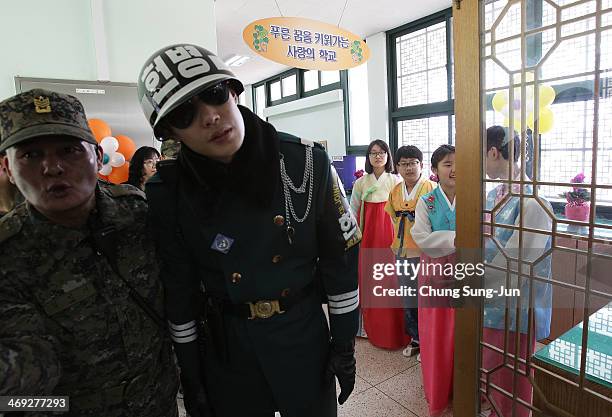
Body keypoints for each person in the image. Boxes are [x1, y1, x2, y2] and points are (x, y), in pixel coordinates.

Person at [137, 44, 360, 417]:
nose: (209, 117)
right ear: (171, 133)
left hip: (301, 337)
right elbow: (180, 291)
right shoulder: (168, 192)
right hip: (228, 349)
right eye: (185, 113)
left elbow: (341, 261)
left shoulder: (305, 162)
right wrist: (191, 376)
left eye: (214, 95)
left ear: (234, 91)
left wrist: (344, 344)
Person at [0, 89, 179, 416]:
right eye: (30, 155)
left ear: (98, 156)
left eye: (69, 150)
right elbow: (28, 366)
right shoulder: (8, 254)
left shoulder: (137, 213)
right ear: (7, 168)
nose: (52, 168)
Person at [482, 126, 552, 417]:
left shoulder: (534, 203)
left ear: (493, 152)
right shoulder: (492, 194)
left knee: (514, 378)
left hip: (516, 306)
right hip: (488, 299)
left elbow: (517, 263)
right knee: (494, 371)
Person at [411, 144, 456, 416]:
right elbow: (423, 239)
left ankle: (465, 385)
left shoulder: (474, 198)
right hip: (435, 271)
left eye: (458, 163)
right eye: (447, 164)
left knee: (465, 329)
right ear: (435, 170)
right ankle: (438, 390)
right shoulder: (426, 201)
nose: (454, 169)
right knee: (437, 331)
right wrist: (458, 240)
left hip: (467, 267)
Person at [350, 139, 407, 349]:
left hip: (391, 238)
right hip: (368, 237)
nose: (378, 156)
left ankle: (397, 332)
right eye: (373, 153)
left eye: (382, 152)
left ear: (388, 155)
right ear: (368, 157)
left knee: (391, 281)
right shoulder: (361, 183)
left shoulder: (395, 180)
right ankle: (372, 330)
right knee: (371, 282)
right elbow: (353, 212)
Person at [385, 145, 436, 357]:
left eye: (413, 163)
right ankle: (416, 338)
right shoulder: (395, 191)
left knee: (429, 298)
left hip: (426, 254)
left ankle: (431, 341)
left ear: (421, 165)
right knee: (409, 298)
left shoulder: (432, 188)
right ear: (397, 167)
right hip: (403, 252)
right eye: (403, 164)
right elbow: (392, 219)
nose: (408, 168)